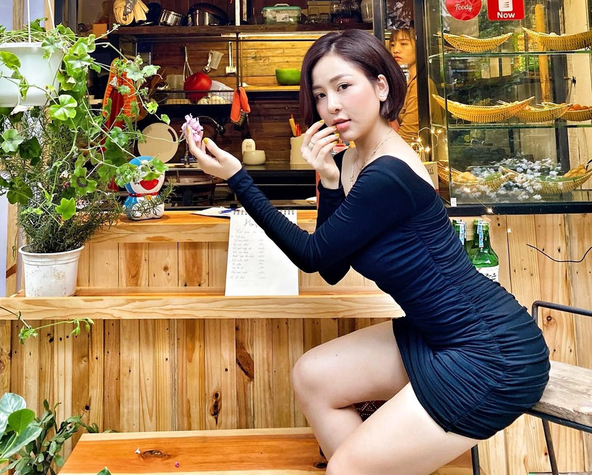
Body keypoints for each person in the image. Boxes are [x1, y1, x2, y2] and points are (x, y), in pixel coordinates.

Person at [186, 30, 550, 475]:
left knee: (346, 468)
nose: (332, 106)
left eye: (344, 86)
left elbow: (312, 255)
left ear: (380, 87)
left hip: (493, 352)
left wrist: (239, 178)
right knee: (313, 377)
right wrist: (329, 181)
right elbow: (333, 268)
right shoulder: (348, 162)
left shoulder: (388, 172)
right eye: (321, 94)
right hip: (435, 334)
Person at [388, 26, 418, 145]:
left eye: (404, 44)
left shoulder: (418, 85)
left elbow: (409, 134)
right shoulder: (408, 81)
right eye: (392, 44)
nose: (396, 50)